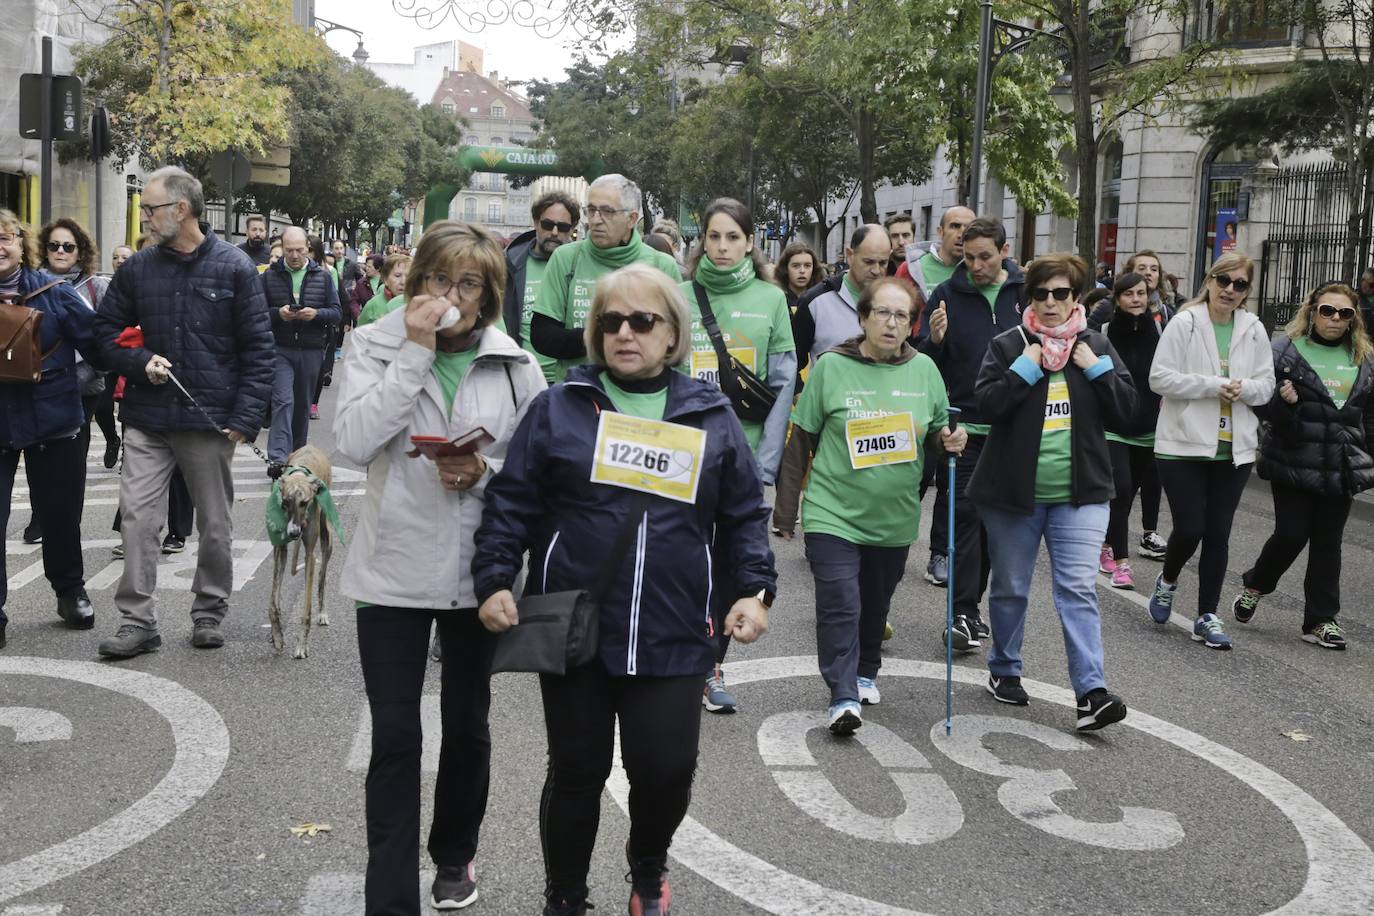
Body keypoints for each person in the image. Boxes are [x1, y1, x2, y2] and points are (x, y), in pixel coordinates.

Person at [473, 263, 775, 916]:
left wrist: (753, 589)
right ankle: (566, 897)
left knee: (664, 772)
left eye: (642, 320)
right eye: (609, 321)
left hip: (674, 629)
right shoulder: (558, 407)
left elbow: (744, 513)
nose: (624, 333)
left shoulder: (710, 412)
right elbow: (512, 502)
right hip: (577, 626)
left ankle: (648, 866)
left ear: (672, 335)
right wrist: (495, 577)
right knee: (577, 775)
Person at [336, 221, 546, 914]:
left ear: (489, 296)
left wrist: (483, 469)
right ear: (415, 279)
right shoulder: (373, 343)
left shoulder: (516, 365)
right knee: (395, 737)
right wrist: (415, 354)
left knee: (468, 725)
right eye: (437, 279)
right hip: (392, 567)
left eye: (468, 284)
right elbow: (355, 441)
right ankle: (388, 896)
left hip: (478, 576)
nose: (451, 296)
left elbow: (540, 470)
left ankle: (454, 854)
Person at [93, 165, 274, 657]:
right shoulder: (137, 269)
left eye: (150, 208)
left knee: (214, 523)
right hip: (148, 418)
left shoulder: (235, 267)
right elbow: (103, 335)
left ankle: (209, 612)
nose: (145, 217)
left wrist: (245, 417)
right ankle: (138, 622)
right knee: (136, 519)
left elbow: (259, 350)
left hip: (209, 420)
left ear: (180, 209)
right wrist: (137, 359)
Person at [779, 277, 964, 733]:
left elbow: (941, 435)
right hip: (832, 510)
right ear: (862, 318)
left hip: (894, 517)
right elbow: (801, 438)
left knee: (874, 602)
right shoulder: (832, 367)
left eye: (901, 315)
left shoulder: (924, 372)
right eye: (881, 312)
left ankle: (866, 670)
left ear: (910, 325)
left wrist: (952, 441)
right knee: (840, 600)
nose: (891, 322)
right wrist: (785, 512)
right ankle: (842, 696)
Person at [968, 253, 1136, 730]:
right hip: (1012, 496)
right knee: (1011, 588)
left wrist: (1098, 369)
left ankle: (1091, 693)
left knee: (1078, 589)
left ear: (1076, 298)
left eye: (1060, 293)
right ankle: (1004, 669)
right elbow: (988, 406)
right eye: (1040, 294)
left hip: (1080, 495)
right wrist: (1024, 368)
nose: (1049, 303)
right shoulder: (1008, 345)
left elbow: (1129, 411)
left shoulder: (1096, 344)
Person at [681, 197, 797, 714]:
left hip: (743, 458)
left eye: (733, 237)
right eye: (714, 237)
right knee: (681, 560)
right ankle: (678, 652)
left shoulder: (771, 300)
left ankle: (711, 664)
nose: (723, 247)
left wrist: (766, 462)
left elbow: (782, 383)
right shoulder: (679, 296)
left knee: (730, 566)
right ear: (701, 241)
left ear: (751, 242)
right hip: (681, 456)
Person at [1231, 283, 1374, 650]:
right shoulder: (1284, 352)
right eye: (1328, 310)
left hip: (1340, 465)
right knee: (1292, 534)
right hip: (1293, 458)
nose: (1335, 319)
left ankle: (1321, 620)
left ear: (1354, 320)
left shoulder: (1363, 357)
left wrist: (1368, 456)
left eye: (1345, 313)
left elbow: (1368, 416)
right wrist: (1286, 403)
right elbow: (1262, 406)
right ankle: (1255, 585)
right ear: (1312, 311)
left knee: (1329, 543)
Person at [1147, 252, 1275, 650]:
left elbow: (1265, 385)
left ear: (1247, 291)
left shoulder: (1253, 328)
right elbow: (1158, 378)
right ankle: (1167, 579)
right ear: (1210, 280)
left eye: (1240, 285)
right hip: (1182, 445)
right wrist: (1212, 385)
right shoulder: (1185, 322)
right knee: (1190, 527)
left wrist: (1243, 388)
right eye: (1224, 281)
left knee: (1218, 532)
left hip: (1233, 448)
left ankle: (1207, 615)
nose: (1230, 290)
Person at [916, 217, 1026, 649]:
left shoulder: (1025, 292)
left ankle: (978, 611)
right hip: (965, 428)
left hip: (1014, 431)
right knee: (965, 516)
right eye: (968, 257)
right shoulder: (946, 295)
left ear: (1004, 249)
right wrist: (937, 340)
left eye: (985, 256)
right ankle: (962, 613)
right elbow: (927, 361)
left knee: (995, 527)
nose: (976, 266)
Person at [0, 209, 102, 650]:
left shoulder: (55, 292)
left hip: (55, 419)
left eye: (5, 237)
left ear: (22, 244)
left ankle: (69, 591)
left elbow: (98, 341)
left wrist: (141, 360)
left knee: (61, 514)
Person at [529, 173, 682, 379]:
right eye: (591, 210)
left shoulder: (662, 266)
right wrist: (608, 335)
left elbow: (676, 341)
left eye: (607, 212)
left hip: (641, 398)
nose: (595, 220)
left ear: (632, 219)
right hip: (579, 395)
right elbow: (543, 337)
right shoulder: (566, 258)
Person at [1094, 272, 1168, 590]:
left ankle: (1107, 545)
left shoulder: (1161, 330)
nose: (1136, 299)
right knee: (1121, 489)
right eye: (1129, 294)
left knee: (1129, 494)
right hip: (1113, 425)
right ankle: (1123, 564)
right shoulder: (1106, 331)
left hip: (1148, 426)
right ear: (1118, 298)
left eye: (1141, 293)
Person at [262, 226, 342, 466]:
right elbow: (255, 314)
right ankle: (277, 458)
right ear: (282, 248)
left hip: (311, 349)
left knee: (302, 406)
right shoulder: (269, 276)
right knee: (282, 401)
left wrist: (316, 314)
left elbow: (337, 312)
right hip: (280, 348)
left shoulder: (323, 276)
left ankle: (297, 457)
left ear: (308, 248)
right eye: (289, 251)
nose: (295, 255)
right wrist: (279, 315)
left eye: (299, 250)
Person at [503, 190, 580, 383]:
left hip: (569, 381)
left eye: (562, 227)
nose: (554, 232)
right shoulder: (510, 265)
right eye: (547, 224)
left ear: (573, 229)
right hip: (520, 378)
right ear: (536, 223)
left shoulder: (583, 266)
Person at [791, 224, 892, 368]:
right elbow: (792, 361)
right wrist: (799, 390)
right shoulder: (815, 302)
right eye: (868, 262)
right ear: (850, 255)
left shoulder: (896, 302)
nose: (876, 270)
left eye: (883, 263)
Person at [896, 205, 976, 318]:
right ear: (940, 232)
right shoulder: (910, 268)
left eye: (968, 228)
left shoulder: (978, 272)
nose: (961, 234)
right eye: (955, 226)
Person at [357, 253, 411, 327]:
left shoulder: (420, 304)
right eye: (397, 276)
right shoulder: (372, 306)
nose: (403, 282)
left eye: (409, 276)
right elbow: (360, 335)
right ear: (385, 279)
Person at [774, 241, 820, 314]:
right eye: (796, 266)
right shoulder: (775, 298)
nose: (802, 271)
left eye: (807, 266)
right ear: (785, 268)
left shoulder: (820, 298)